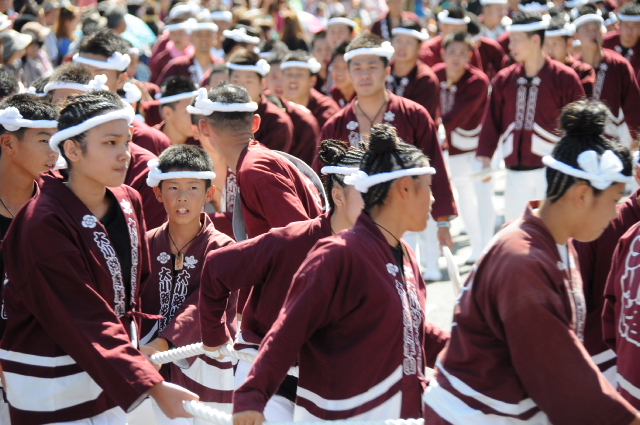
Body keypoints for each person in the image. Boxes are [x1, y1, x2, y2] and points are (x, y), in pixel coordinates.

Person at [424, 99, 640, 425]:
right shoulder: (522, 260)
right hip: (473, 415)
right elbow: (557, 373)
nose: (614, 213)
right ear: (582, 195)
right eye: (613, 200)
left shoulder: (552, 243)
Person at [0, 90, 199, 425]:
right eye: (110, 143)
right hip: (52, 377)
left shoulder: (128, 199)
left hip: (112, 367)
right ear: (73, 150)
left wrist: (135, 353)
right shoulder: (41, 221)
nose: (124, 154)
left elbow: (135, 286)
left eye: (127, 142)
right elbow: (79, 311)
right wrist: (150, 383)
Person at [230, 124, 450, 424]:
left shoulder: (406, 254)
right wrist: (252, 395)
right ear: (404, 189)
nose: (434, 200)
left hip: (399, 414)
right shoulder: (337, 255)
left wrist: (476, 353)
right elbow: (287, 332)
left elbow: (412, 329)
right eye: (428, 187)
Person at [201, 140, 364, 422]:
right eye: (369, 194)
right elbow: (217, 267)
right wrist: (214, 336)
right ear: (338, 196)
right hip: (262, 368)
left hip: (327, 380)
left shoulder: (379, 251)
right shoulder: (292, 240)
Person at [321, 33, 457, 280]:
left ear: (387, 70)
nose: (365, 75)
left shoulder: (413, 114)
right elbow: (323, 182)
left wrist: (443, 222)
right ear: (349, 72)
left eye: (372, 67)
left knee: (405, 285)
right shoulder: (335, 124)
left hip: (403, 222)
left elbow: (434, 167)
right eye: (357, 68)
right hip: (352, 228)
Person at [139, 145, 237, 422]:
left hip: (206, 364)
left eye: (193, 188)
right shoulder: (144, 244)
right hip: (150, 361)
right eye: (172, 188)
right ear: (158, 193)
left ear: (209, 193)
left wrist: (163, 344)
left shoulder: (223, 248)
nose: (182, 197)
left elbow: (205, 304)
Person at [476, 12, 585, 222]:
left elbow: (580, 127)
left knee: (555, 232)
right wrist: (485, 158)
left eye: (516, 40)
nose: (510, 46)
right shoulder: (504, 79)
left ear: (535, 40)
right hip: (514, 175)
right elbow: (492, 121)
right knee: (517, 231)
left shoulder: (564, 78)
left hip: (554, 173)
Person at [192, 83, 324, 239]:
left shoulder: (256, 170)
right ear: (255, 123)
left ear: (204, 127)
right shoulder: (258, 161)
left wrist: (234, 251)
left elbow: (298, 237)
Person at [432, 32, 493, 264]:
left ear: (469, 55)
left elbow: (458, 115)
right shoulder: (436, 75)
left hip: (480, 147)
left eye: (462, 53)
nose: (456, 58)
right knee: (465, 197)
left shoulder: (477, 80)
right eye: (451, 52)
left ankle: (487, 247)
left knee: (483, 195)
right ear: (443, 53)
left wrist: (435, 127)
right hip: (454, 148)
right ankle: (477, 247)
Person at [573, 4, 640, 148]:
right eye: (587, 30)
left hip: (615, 140)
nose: (593, 33)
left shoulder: (619, 64)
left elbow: (633, 103)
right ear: (576, 35)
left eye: (596, 28)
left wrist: (636, 136)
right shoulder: (572, 69)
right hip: (580, 141)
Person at [227, 48, 294, 152]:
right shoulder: (219, 115)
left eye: (249, 81)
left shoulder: (277, 122)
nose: (241, 87)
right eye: (236, 81)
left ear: (263, 84)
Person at [388, 20, 440, 120]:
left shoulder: (426, 80)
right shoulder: (383, 71)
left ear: (419, 47)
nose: (402, 47)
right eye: (398, 40)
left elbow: (421, 121)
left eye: (408, 42)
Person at [281, 49, 340, 129]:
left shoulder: (326, 109)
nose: (293, 79)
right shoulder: (277, 105)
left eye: (299, 74)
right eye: (289, 74)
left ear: (312, 80)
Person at [157, 20, 222, 86]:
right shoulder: (177, 66)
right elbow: (161, 89)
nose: (204, 39)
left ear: (215, 38)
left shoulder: (222, 66)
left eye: (208, 35)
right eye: (199, 35)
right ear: (190, 38)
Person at [544, 17, 596, 96]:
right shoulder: (538, 71)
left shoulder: (582, 71)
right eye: (546, 44)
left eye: (555, 44)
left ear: (569, 43)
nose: (550, 50)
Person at [154, 76, 199, 146]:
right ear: (167, 113)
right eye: (188, 111)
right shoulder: (148, 141)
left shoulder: (203, 142)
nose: (195, 117)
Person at [149, 17, 195, 85]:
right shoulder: (162, 59)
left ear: (188, 35)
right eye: (173, 34)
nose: (177, 37)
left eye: (180, 33)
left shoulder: (196, 56)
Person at [603, 2, 640, 75]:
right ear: (619, 25)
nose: (630, 30)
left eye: (635, 25)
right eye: (626, 25)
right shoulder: (604, 43)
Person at [329, 41, 355, 107]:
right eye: (336, 67)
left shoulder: (363, 94)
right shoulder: (335, 92)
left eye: (345, 67)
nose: (339, 73)